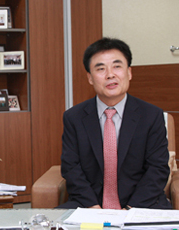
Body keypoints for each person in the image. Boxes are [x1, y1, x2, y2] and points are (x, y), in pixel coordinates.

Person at [59, 37, 172, 210]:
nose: (110, 74)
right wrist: (93, 207)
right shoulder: (74, 117)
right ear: (90, 78)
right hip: (89, 204)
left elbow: (157, 169)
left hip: (142, 205)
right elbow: (71, 168)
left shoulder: (151, 115)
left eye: (117, 66)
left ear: (129, 73)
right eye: (101, 68)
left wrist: (131, 209)